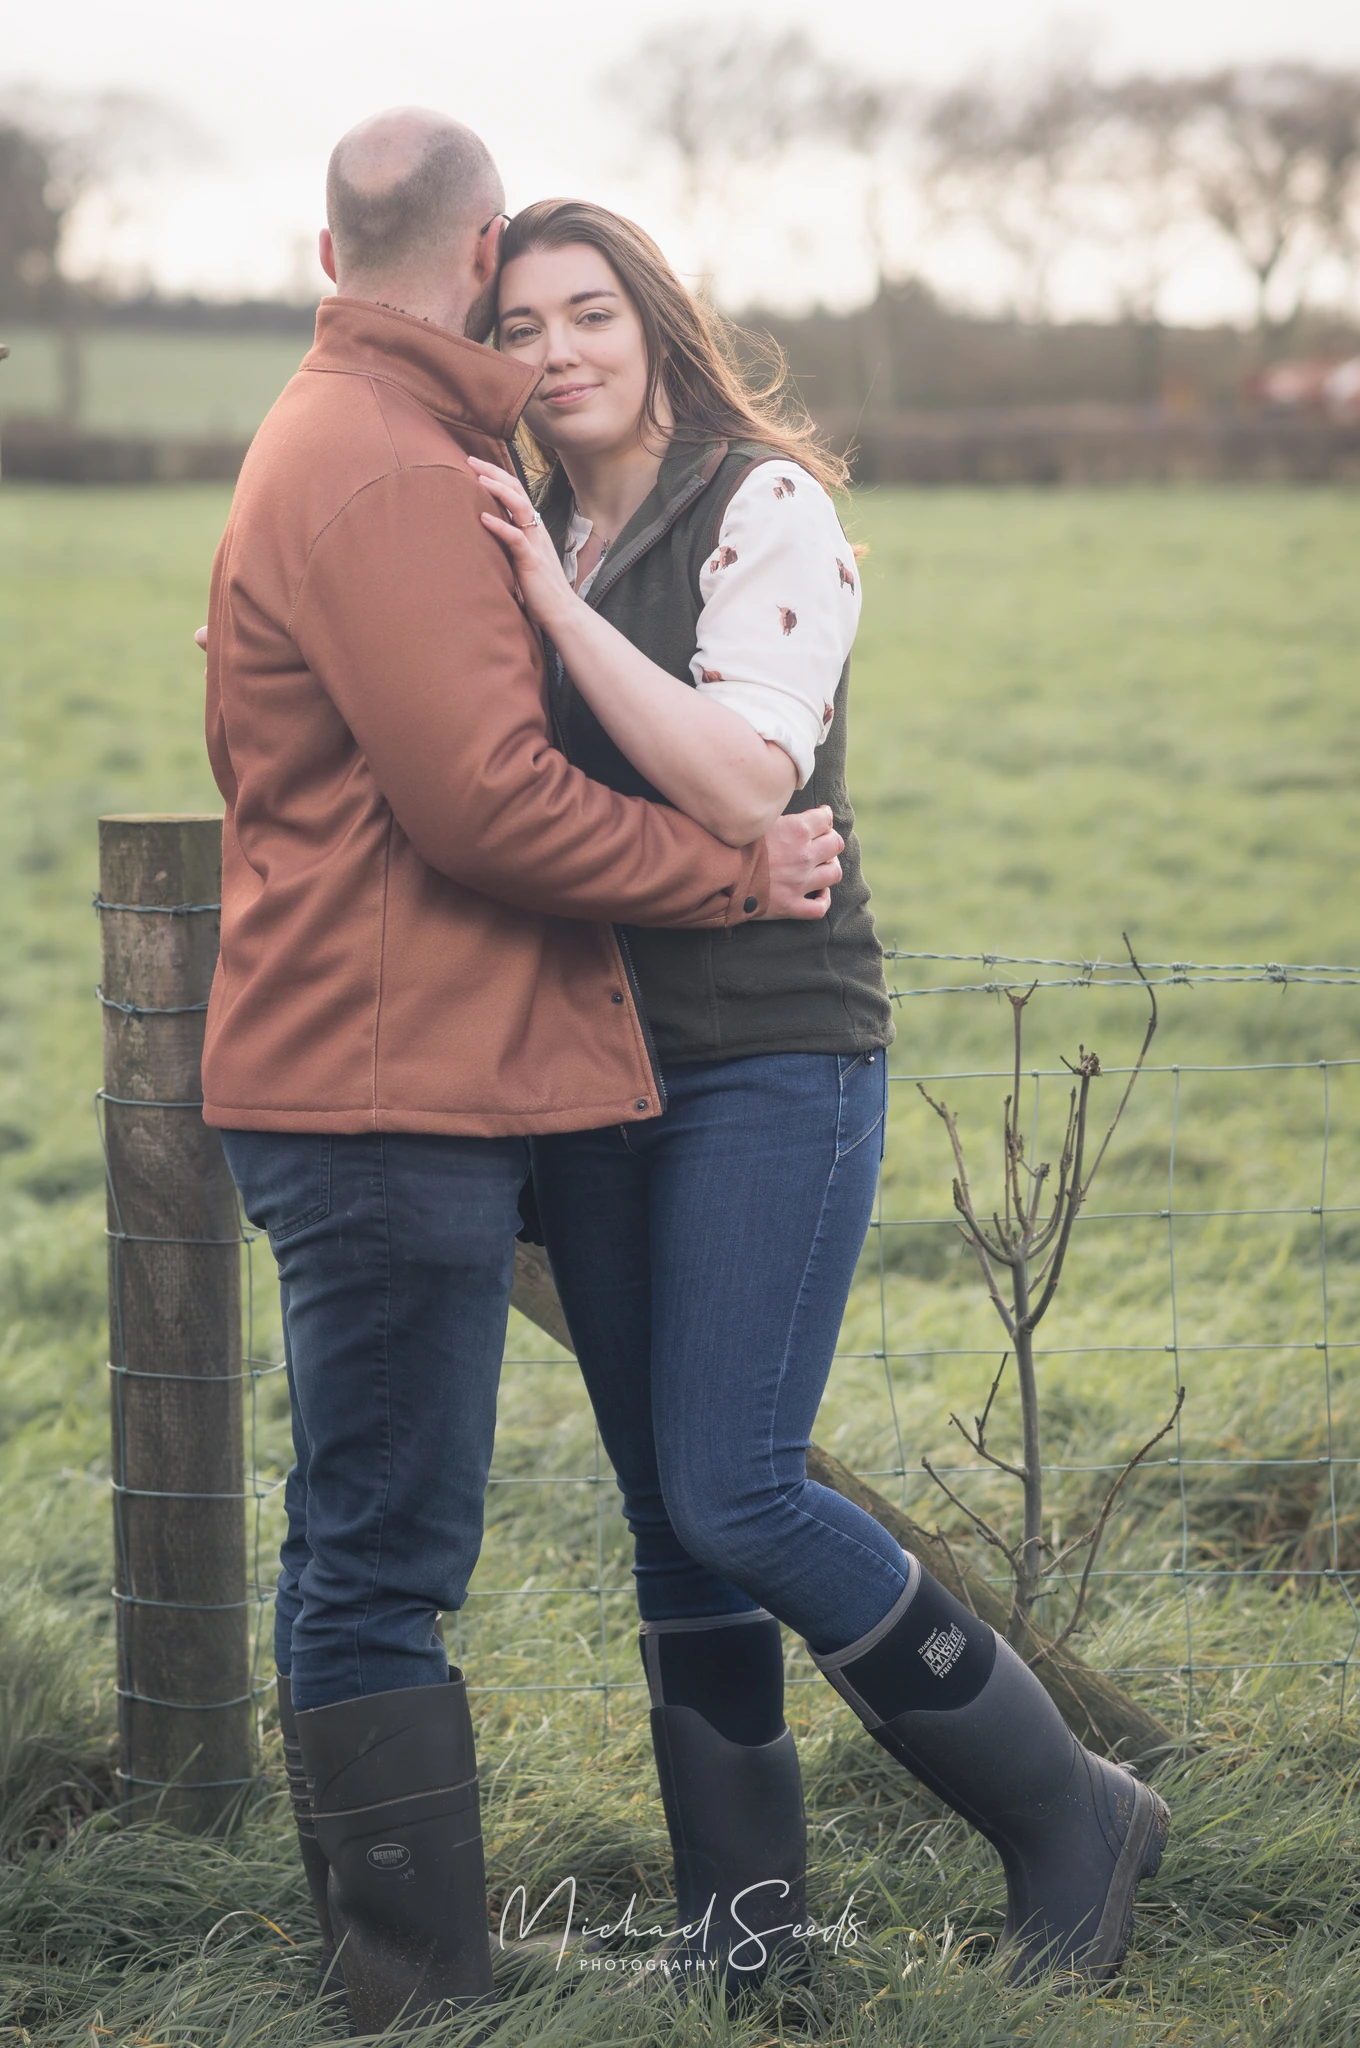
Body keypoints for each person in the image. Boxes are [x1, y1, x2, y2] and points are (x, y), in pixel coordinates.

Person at [475, 199, 1171, 1990]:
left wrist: (552, 597)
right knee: (665, 1514)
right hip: (593, 1070)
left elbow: (734, 775)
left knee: (735, 1488)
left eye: (588, 314)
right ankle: (749, 1939)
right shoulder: (529, 517)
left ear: (654, 322)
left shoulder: (763, 510)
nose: (556, 354)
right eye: (521, 326)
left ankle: (1074, 1821)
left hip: (771, 1056)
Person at [200, 112, 843, 2033]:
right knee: (383, 1555)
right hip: (383, 1084)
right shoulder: (392, 464)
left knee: (416, 1535)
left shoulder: (403, 441)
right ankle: (413, 1994)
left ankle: (687, 1955)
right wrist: (729, 872)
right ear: (478, 250)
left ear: (330, 257)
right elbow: (484, 803)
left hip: (415, 1068)